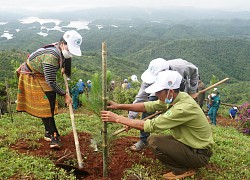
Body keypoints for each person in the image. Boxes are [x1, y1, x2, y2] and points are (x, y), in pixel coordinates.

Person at [101, 70, 213, 179]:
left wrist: (117, 118)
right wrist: (119, 106)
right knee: (156, 139)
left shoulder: (182, 108)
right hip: (189, 144)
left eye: (159, 91)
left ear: (170, 91)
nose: (156, 94)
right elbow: (147, 106)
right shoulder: (178, 97)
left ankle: (182, 170)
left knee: (154, 141)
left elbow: (150, 125)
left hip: (199, 154)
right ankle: (184, 160)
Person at [16, 30, 82, 149]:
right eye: (69, 49)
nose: (70, 52)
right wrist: (65, 95)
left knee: (49, 100)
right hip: (32, 74)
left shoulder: (60, 49)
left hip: (41, 74)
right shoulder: (51, 56)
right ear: (62, 43)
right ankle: (53, 135)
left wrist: (64, 68)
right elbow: (51, 82)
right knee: (46, 102)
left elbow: (65, 60)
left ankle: (48, 131)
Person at [128, 58, 199, 151]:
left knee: (179, 115)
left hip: (179, 90)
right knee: (148, 108)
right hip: (161, 91)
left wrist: (192, 91)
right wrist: (131, 118)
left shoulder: (181, 66)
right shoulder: (150, 79)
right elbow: (141, 98)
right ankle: (144, 140)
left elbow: (195, 72)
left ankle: (183, 141)